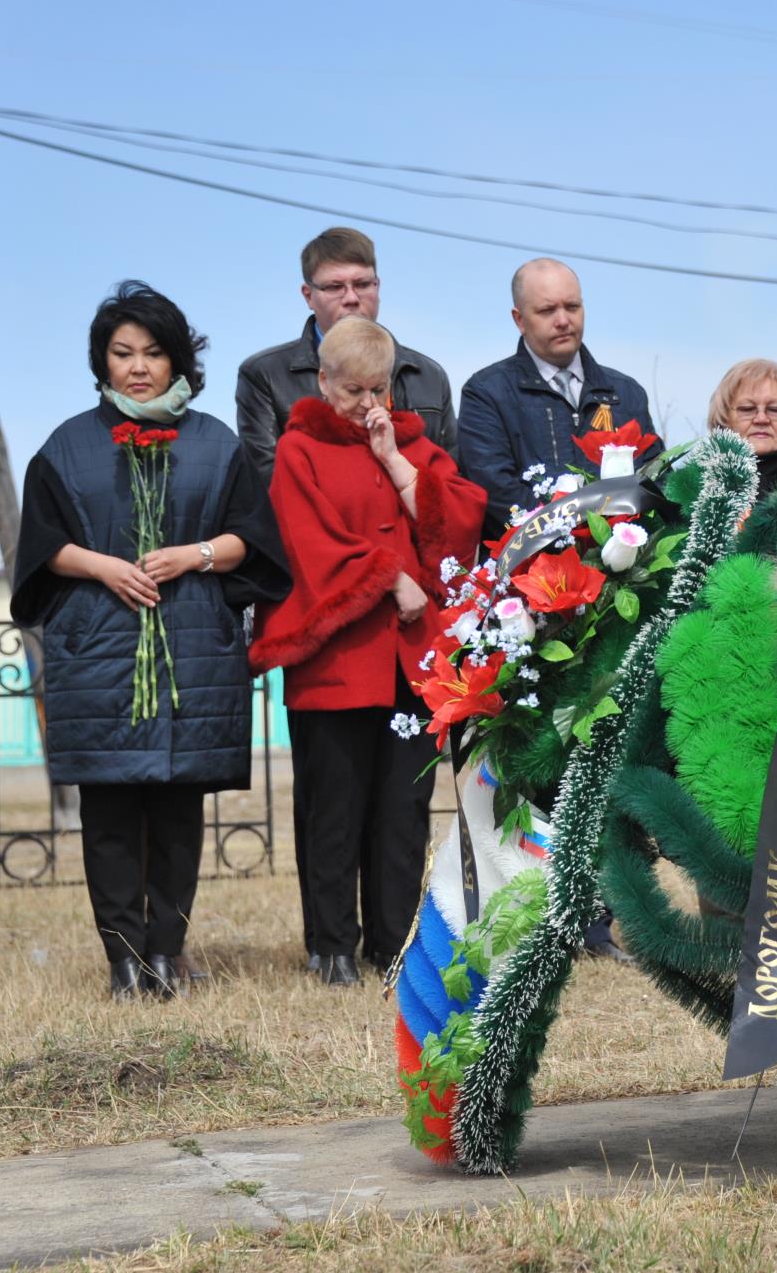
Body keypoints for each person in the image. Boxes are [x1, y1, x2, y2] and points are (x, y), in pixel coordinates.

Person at [10, 282, 289, 1001]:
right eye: (122, 353)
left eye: (154, 353)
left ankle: (167, 952)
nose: (138, 367)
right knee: (107, 817)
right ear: (101, 362)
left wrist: (192, 554)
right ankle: (122, 961)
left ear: (178, 361)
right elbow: (41, 548)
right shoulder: (67, 446)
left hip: (191, 650)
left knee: (176, 814)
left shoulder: (214, 444)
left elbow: (254, 541)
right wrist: (103, 566)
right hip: (95, 651)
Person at [250, 318, 486, 986]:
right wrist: (389, 573)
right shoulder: (299, 449)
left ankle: (392, 940)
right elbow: (307, 542)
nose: (365, 404)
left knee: (401, 810)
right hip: (335, 662)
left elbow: (458, 526)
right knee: (335, 806)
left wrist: (393, 459)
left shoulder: (409, 444)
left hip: (408, 664)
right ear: (323, 383)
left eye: (377, 389)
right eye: (352, 390)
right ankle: (330, 946)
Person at [455, 258, 659, 541]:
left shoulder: (626, 393)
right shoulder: (486, 394)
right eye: (547, 310)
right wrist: (575, 537)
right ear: (519, 319)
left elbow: (654, 479)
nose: (563, 320)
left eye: (572, 307)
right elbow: (497, 493)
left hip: (622, 567)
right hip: (527, 574)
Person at [235, 227, 456, 481]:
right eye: (334, 287)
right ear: (308, 296)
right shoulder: (264, 375)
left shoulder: (428, 375)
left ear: (378, 286)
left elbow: (452, 477)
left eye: (362, 284)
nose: (351, 297)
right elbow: (272, 483)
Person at [707, 358, 777, 499]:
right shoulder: (691, 488)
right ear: (725, 418)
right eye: (747, 409)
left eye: (775, 409)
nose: (761, 419)